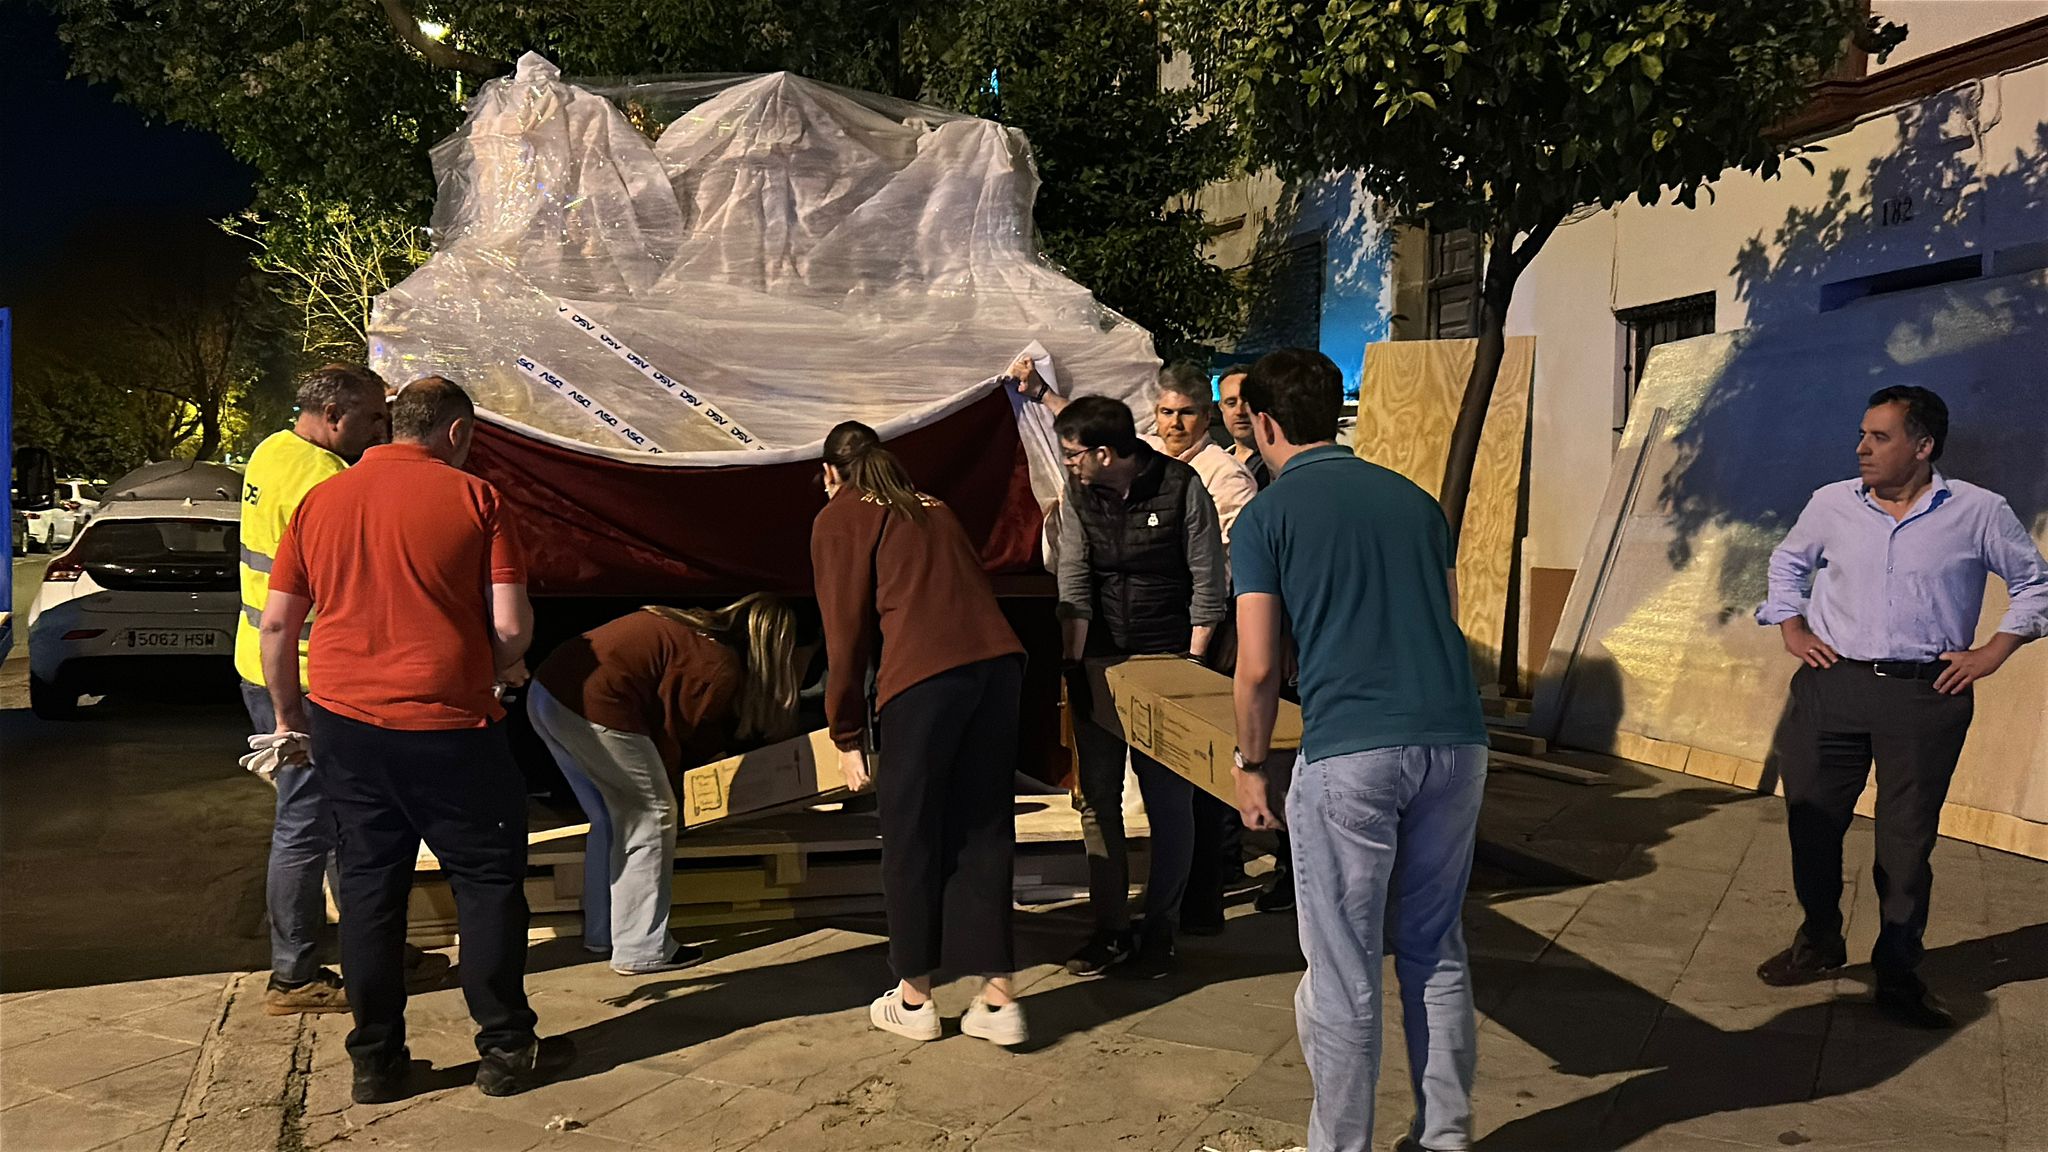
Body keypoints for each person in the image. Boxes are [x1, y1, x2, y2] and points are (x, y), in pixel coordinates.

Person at [260, 377, 569, 1103]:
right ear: (456, 433)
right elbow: (511, 629)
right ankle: (503, 1048)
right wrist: (492, 665)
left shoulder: (320, 500)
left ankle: (376, 1062)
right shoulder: (478, 500)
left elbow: (277, 626)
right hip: (453, 726)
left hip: (345, 724)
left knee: (369, 887)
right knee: (488, 883)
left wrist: (289, 719)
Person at [1230, 348, 1488, 1152]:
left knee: (1342, 970)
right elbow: (1444, 620)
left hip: (1352, 748)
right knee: (1434, 945)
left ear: (1265, 423)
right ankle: (1444, 1135)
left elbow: (1260, 666)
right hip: (1456, 738)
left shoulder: (1267, 517)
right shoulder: (1416, 503)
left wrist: (1249, 767)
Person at [1754, 385, 2046, 1029]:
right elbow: (1786, 564)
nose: (1862, 448)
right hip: (1831, 687)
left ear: (1923, 445)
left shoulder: (1978, 511)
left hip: (1925, 693)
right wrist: (1791, 627)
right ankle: (1821, 939)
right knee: (1812, 823)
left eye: (1879, 437)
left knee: (1906, 841)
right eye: (1862, 434)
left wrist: (1994, 651)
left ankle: (1897, 968)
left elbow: (2034, 584)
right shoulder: (1831, 503)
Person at [235, 363, 452, 1015]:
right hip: (303, 678)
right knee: (306, 825)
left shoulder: (271, 450)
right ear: (334, 417)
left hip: (262, 661)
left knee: (334, 821)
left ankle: (369, 946)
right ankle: (294, 975)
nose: (380, 431)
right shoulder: (326, 480)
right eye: (371, 419)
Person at [811, 421, 1031, 1047]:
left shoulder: (840, 517)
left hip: (925, 680)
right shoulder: (933, 504)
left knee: (910, 836)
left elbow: (844, 634)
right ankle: (998, 999)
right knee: (984, 827)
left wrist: (846, 732)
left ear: (830, 472)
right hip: (998, 668)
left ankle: (914, 998)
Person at [528, 596, 802, 976]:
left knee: (609, 818)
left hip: (547, 691)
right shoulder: (717, 664)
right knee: (652, 816)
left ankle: (603, 933)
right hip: (596, 702)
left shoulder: (688, 629)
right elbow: (672, 734)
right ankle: (642, 948)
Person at [1054, 395, 1227, 980]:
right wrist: (1075, 664)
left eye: (1074, 454)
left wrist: (1194, 661)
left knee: (1168, 800)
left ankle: (1160, 926)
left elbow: (1209, 580)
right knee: (1097, 797)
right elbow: (1074, 576)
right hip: (1102, 659)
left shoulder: (1181, 488)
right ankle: (1109, 928)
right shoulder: (1080, 495)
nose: (1068, 463)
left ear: (1106, 453)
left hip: (1167, 657)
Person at [1144, 365, 1260, 936]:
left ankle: (1204, 901)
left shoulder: (1225, 476)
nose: (1174, 424)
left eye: (1185, 413)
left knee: (1205, 774)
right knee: (1177, 774)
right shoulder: (1152, 462)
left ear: (1205, 416)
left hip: (1211, 635)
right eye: (1166, 412)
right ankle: (1190, 898)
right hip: (1167, 630)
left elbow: (1221, 572)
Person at [1219, 367, 1293, 915]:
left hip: (1277, 636)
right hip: (1236, 624)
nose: (1237, 411)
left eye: (1246, 401)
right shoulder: (1231, 464)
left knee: (1285, 758)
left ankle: (1293, 868)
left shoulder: (1278, 484)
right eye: (1228, 402)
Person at [1217, 368, 1273, 489]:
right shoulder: (1214, 463)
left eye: (1247, 402)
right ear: (1221, 408)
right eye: (1231, 403)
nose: (1240, 411)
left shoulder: (1278, 465)